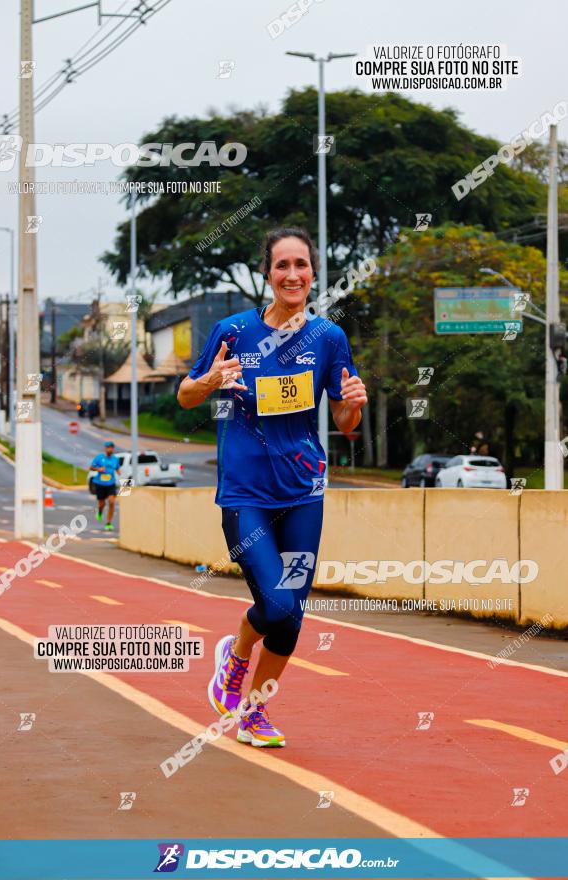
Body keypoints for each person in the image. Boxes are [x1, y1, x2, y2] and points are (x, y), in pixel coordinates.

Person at [178, 227, 367, 748]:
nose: (292, 275)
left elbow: (345, 420)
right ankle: (234, 658)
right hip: (246, 496)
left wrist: (353, 400)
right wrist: (211, 380)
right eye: (281, 265)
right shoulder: (233, 332)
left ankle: (254, 713)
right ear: (268, 274)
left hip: (304, 492)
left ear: (312, 274)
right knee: (277, 605)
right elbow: (185, 396)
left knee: (291, 619)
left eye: (301, 265)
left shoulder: (329, 338)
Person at [90, 441, 120, 531]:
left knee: (111, 502)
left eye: (111, 447)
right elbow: (91, 467)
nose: (110, 449)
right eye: (108, 447)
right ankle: (99, 512)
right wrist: (99, 469)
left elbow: (118, 468)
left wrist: (120, 474)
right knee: (101, 504)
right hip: (100, 483)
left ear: (113, 449)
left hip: (111, 484)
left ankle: (108, 523)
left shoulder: (115, 459)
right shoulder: (100, 458)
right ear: (105, 449)